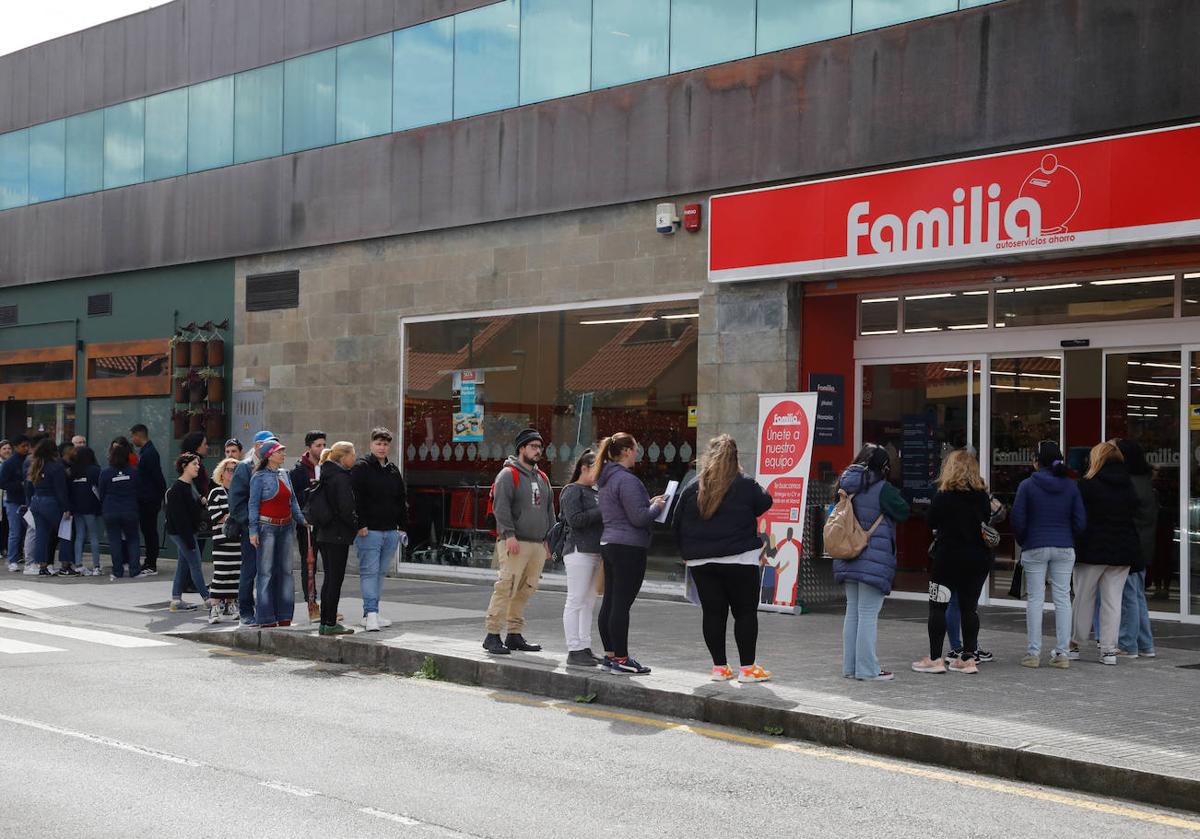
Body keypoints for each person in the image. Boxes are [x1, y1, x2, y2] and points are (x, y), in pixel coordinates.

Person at [673, 435, 774, 683]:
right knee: (745, 613)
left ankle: (719, 668)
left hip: (701, 562)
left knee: (713, 613)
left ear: (709, 456)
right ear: (735, 458)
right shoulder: (745, 484)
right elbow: (765, 502)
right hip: (740, 559)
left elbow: (676, 522)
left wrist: (685, 553)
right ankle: (747, 669)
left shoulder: (694, 486)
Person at [833, 444, 910, 681]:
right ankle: (867, 669)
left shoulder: (844, 485)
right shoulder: (882, 489)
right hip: (872, 558)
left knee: (853, 612)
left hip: (847, 554)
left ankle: (851, 667)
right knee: (867, 613)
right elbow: (903, 511)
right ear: (884, 467)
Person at [912, 451, 992, 675]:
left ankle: (936, 659)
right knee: (969, 609)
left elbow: (930, 521)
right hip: (977, 559)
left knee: (938, 607)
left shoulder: (943, 496)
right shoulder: (982, 497)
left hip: (948, 558)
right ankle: (968, 658)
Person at [595, 432, 667, 674]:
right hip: (629, 547)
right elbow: (638, 518)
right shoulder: (627, 480)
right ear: (626, 451)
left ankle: (611, 655)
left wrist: (648, 503)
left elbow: (627, 510)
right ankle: (623, 660)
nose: (637, 453)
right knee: (621, 605)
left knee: (611, 601)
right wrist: (656, 507)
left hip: (610, 543)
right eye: (635, 449)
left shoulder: (607, 478)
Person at [1010, 441, 1086, 669]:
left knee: (1035, 599)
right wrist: (1068, 537)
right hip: (1064, 546)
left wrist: (1025, 541)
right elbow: (1081, 521)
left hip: (1035, 545)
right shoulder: (1071, 486)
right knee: (1063, 598)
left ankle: (1033, 653)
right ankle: (1062, 654)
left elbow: (1017, 519)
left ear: (1036, 462)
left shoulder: (1027, 485)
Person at [482, 428, 556, 655]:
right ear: (521, 448)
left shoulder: (542, 477)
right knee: (506, 586)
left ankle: (514, 634)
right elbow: (500, 507)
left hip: (537, 544)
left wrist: (550, 539)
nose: (538, 451)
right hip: (514, 541)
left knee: (526, 588)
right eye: (533, 446)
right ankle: (492, 634)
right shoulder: (508, 474)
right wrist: (509, 535)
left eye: (540, 447)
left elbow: (549, 509)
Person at [1073, 440, 1137, 666]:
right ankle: (1109, 649)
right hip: (1122, 550)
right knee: (1113, 600)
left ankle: (1075, 644)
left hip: (1092, 549)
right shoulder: (1129, 485)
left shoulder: (1086, 485)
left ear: (1096, 459)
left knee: (1083, 597)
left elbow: (1078, 518)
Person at [351, 428, 408, 632]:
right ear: (371, 444)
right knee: (369, 572)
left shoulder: (392, 469)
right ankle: (372, 613)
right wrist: (360, 524)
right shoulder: (361, 467)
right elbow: (355, 498)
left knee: (380, 573)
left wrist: (402, 527)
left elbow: (401, 499)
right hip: (369, 531)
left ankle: (370, 612)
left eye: (385, 444)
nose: (382, 447)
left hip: (390, 530)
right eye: (378, 443)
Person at [248, 440, 306, 627]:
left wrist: (302, 520)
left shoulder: (285, 474)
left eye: (283, 451)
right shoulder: (258, 477)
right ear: (269, 456)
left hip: (286, 526)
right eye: (279, 451)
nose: (283, 454)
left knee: (286, 573)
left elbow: (293, 502)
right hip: (267, 528)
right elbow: (253, 504)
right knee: (266, 573)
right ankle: (265, 617)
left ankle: (284, 615)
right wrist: (253, 531)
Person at [558, 449, 604, 667]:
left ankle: (584, 645)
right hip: (578, 550)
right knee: (576, 600)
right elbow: (575, 520)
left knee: (588, 602)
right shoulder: (572, 491)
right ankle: (573, 648)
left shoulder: (594, 491)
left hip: (594, 551)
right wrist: (602, 510)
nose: (599, 475)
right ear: (584, 468)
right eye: (596, 470)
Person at [228, 431, 277, 627]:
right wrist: (252, 523)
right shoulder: (244, 467)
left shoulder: (274, 468)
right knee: (250, 571)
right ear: (258, 446)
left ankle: (266, 610)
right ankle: (246, 611)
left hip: (273, 528)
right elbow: (236, 503)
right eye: (268, 445)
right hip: (252, 529)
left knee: (269, 571)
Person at [165, 453, 219, 623]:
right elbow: (180, 520)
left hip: (187, 532)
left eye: (198, 464)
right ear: (184, 466)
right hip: (182, 533)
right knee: (195, 563)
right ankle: (207, 599)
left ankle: (176, 600)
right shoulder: (178, 489)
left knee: (183, 564)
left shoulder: (190, 486)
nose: (198, 467)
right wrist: (190, 541)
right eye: (194, 464)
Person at [1116, 438, 1156, 659]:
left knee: (1129, 596)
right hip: (1144, 544)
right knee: (1137, 595)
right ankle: (1145, 643)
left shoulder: (1129, 483)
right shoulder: (1145, 481)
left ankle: (1128, 644)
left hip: (1132, 546)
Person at [314, 442, 359, 637]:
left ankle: (325, 622)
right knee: (335, 580)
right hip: (337, 534)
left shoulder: (327, 473)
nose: (355, 458)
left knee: (329, 579)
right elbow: (346, 508)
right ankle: (330, 622)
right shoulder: (341, 477)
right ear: (344, 457)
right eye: (353, 454)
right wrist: (357, 525)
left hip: (325, 533)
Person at [290, 430, 326, 623]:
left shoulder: (328, 465)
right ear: (309, 447)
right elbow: (294, 498)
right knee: (309, 565)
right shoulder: (298, 470)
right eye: (318, 445)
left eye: (323, 445)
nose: (321, 449)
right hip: (307, 525)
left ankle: (328, 606)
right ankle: (311, 605)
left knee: (328, 565)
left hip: (326, 523)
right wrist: (311, 489)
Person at [24, 438, 70, 576]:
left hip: (36, 502)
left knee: (41, 535)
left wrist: (29, 504)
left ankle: (42, 566)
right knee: (65, 533)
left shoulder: (35, 465)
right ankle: (65, 565)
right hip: (51, 502)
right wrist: (66, 508)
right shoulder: (56, 467)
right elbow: (61, 490)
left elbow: (28, 487)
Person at [100, 437, 143, 580]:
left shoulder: (105, 473)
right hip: (129, 509)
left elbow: (101, 493)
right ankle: (134, 570)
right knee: (133, 539)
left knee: (114, 541)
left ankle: (117, 571)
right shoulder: (133, 472)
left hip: (110, 510)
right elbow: (139, 490)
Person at [130, 424, 167, 575]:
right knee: (148, 531)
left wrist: (160, 496)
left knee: (150, 531)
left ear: (139, 435)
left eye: (133, 436)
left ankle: (151, 563)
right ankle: (149, 562)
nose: (132, 440)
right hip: (148, 498)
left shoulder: (149, 453)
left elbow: (157, 477)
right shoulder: (147, 452)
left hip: (149, 500)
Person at [207, 457, 242, 615]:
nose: (232, 473)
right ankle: (214, 606)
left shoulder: (240, 493)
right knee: (221, 573)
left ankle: (231, 604)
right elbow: (216, 516)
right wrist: (234, 515)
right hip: (221, 540)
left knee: (235, 574)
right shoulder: (216, 492)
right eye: (229, 470)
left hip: (238, 540)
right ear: (222, 473)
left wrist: (232, 516)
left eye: (235, 470)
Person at [68, 446, 104, 576]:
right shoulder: (95, 470)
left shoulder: (73, 470)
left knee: (79, 536)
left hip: (77, 508)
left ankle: (78, 564)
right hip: (91, 507)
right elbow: (100, 488)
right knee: (93, 536)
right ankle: (96, 566)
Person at [1, 436, 31, 572]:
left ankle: (27, 558)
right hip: (14, 501)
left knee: (30, 531)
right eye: (23, 446)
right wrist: (19, 485)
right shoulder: (9, 463)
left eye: (27, 446)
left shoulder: (30, 460)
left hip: (28, 500)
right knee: (15, 532)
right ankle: (12, 560)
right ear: (17, 447)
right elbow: (2, 482)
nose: (26, 448)